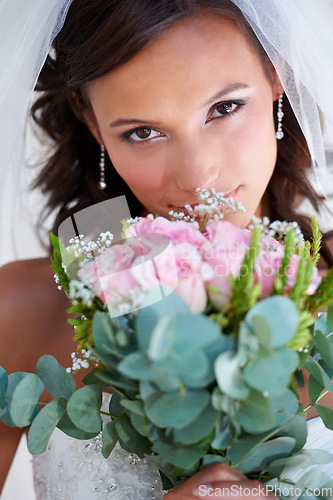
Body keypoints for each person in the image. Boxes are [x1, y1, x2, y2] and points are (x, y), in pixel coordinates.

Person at [0, 0, 333, 498]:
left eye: (224, 108)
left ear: (275, 72)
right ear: (92, 124)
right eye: (144, 132)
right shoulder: (23, 308)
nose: (198, 178)